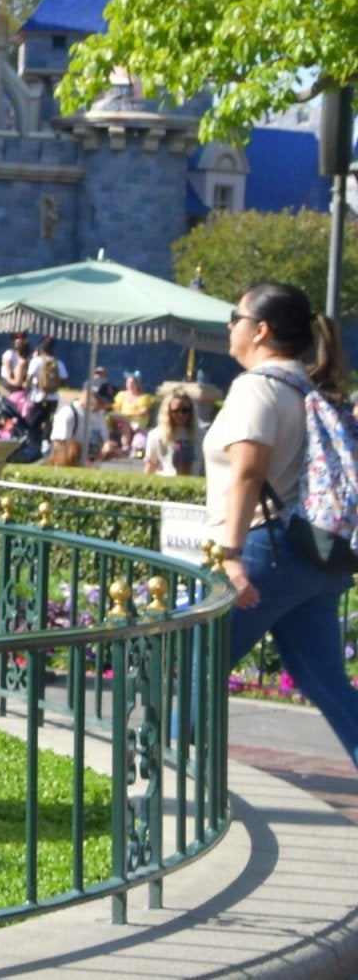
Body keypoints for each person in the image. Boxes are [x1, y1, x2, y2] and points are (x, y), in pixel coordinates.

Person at [204, 281, 358, 765]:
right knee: (328, 684)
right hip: (313, 558)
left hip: (259, 554)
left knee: (193, 670)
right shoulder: (306, 385)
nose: (231, 326)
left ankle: (154, 783)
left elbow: (249, 472)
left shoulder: (257, 387)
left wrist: (229, 558)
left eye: (237, 316)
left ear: (261, 329)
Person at [144, 392, 201, 477]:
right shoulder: (156, 435)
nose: (180, 414)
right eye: (176, 411)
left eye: (185, 410)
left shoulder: (202, 435)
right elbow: (151, 465)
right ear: (168, 411)